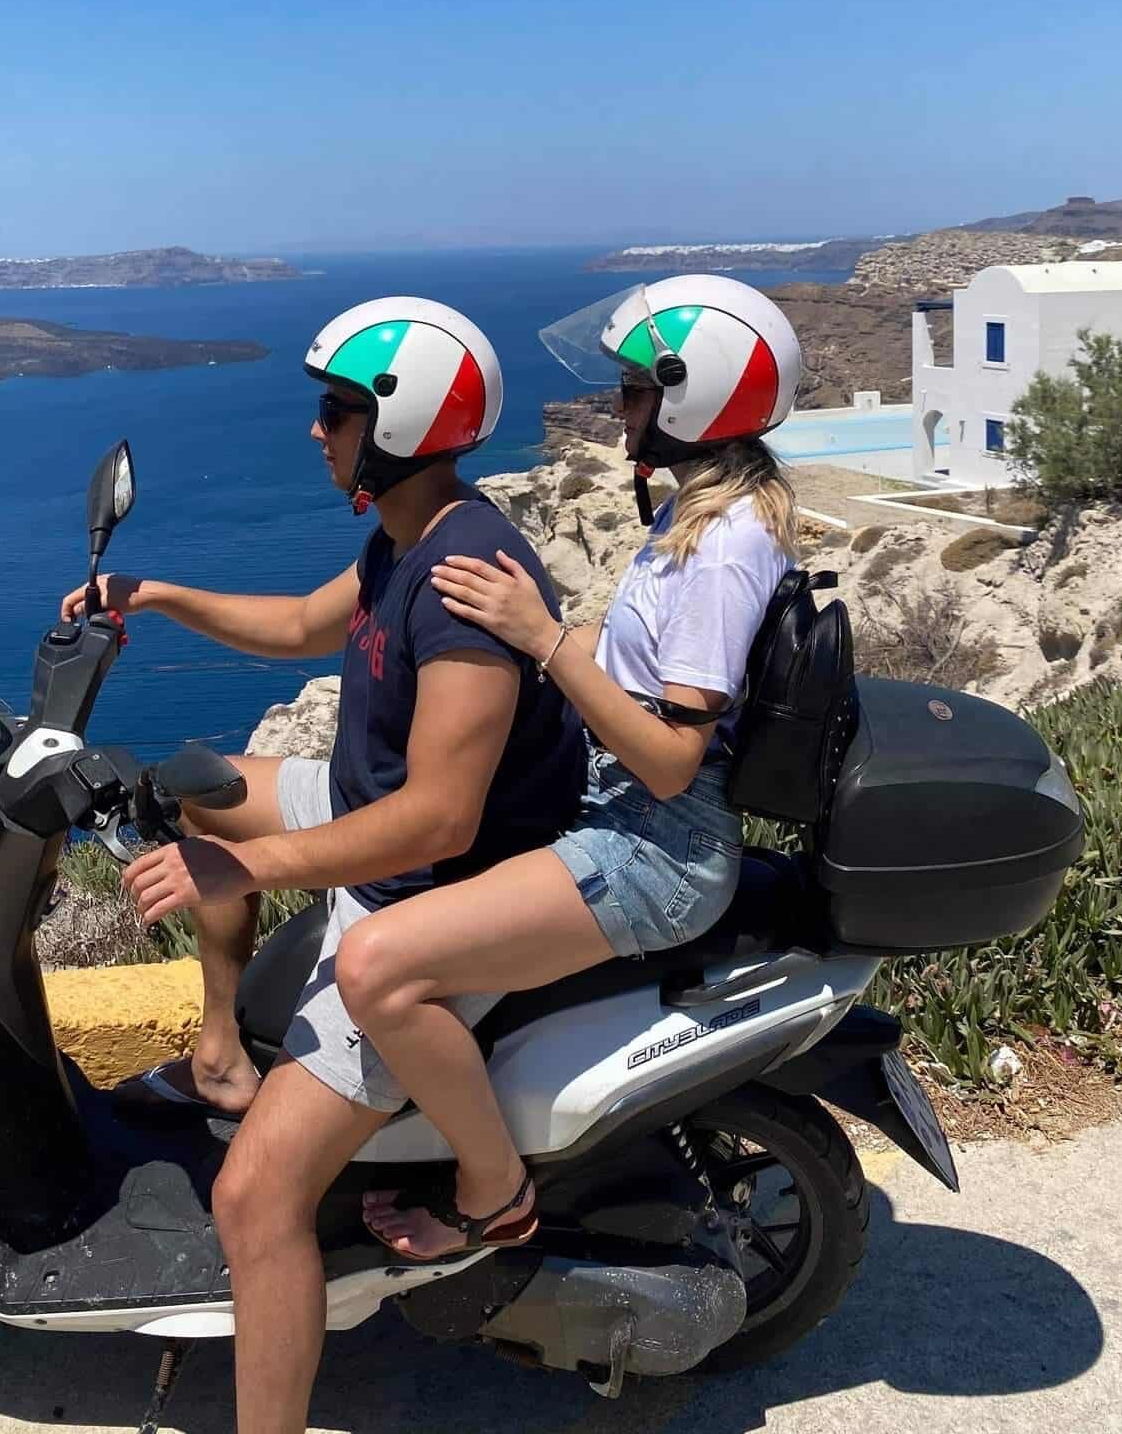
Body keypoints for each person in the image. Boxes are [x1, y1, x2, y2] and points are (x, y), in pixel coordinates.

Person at [60, 295, 585, 1434]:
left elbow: (439, 821)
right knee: (202, 783)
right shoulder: (405, 530)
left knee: (255, 1194)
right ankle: (219, 1049)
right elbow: (304, 623)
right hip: (373, 816)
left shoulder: (465, 579)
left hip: (442, 889)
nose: (316, 430)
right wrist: (151, 592)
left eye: (337, 410)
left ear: (402, 423)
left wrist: (247, 869)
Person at [332, 275, 802, 1264]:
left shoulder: (721, 548)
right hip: (617, 813)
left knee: (378, 969)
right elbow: (648, 673)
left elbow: (674, 759)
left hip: (651, 849)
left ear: (693, 397)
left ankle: (491, 1190)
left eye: (635, 389)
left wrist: (545, 643)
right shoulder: (705, 514)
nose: (618, 406)